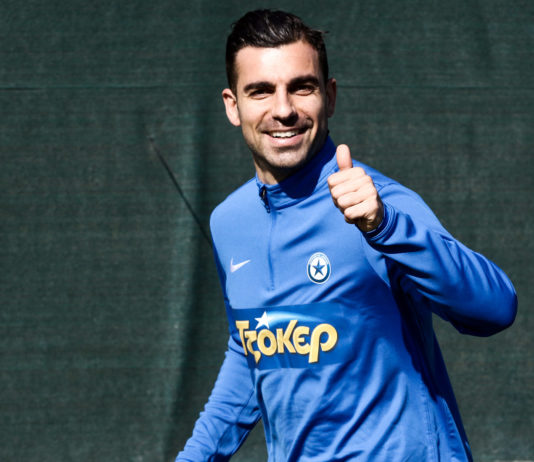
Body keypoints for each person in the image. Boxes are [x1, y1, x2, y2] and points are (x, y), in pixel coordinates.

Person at [177, 9, 517, 462]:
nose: (283, 109)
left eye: (302, 87)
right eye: (261, 91)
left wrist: (385, 226)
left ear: (330, 96)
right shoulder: (229, 221)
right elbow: (252, 348)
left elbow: (496, 309)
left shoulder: (378, 204)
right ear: (232, 106)